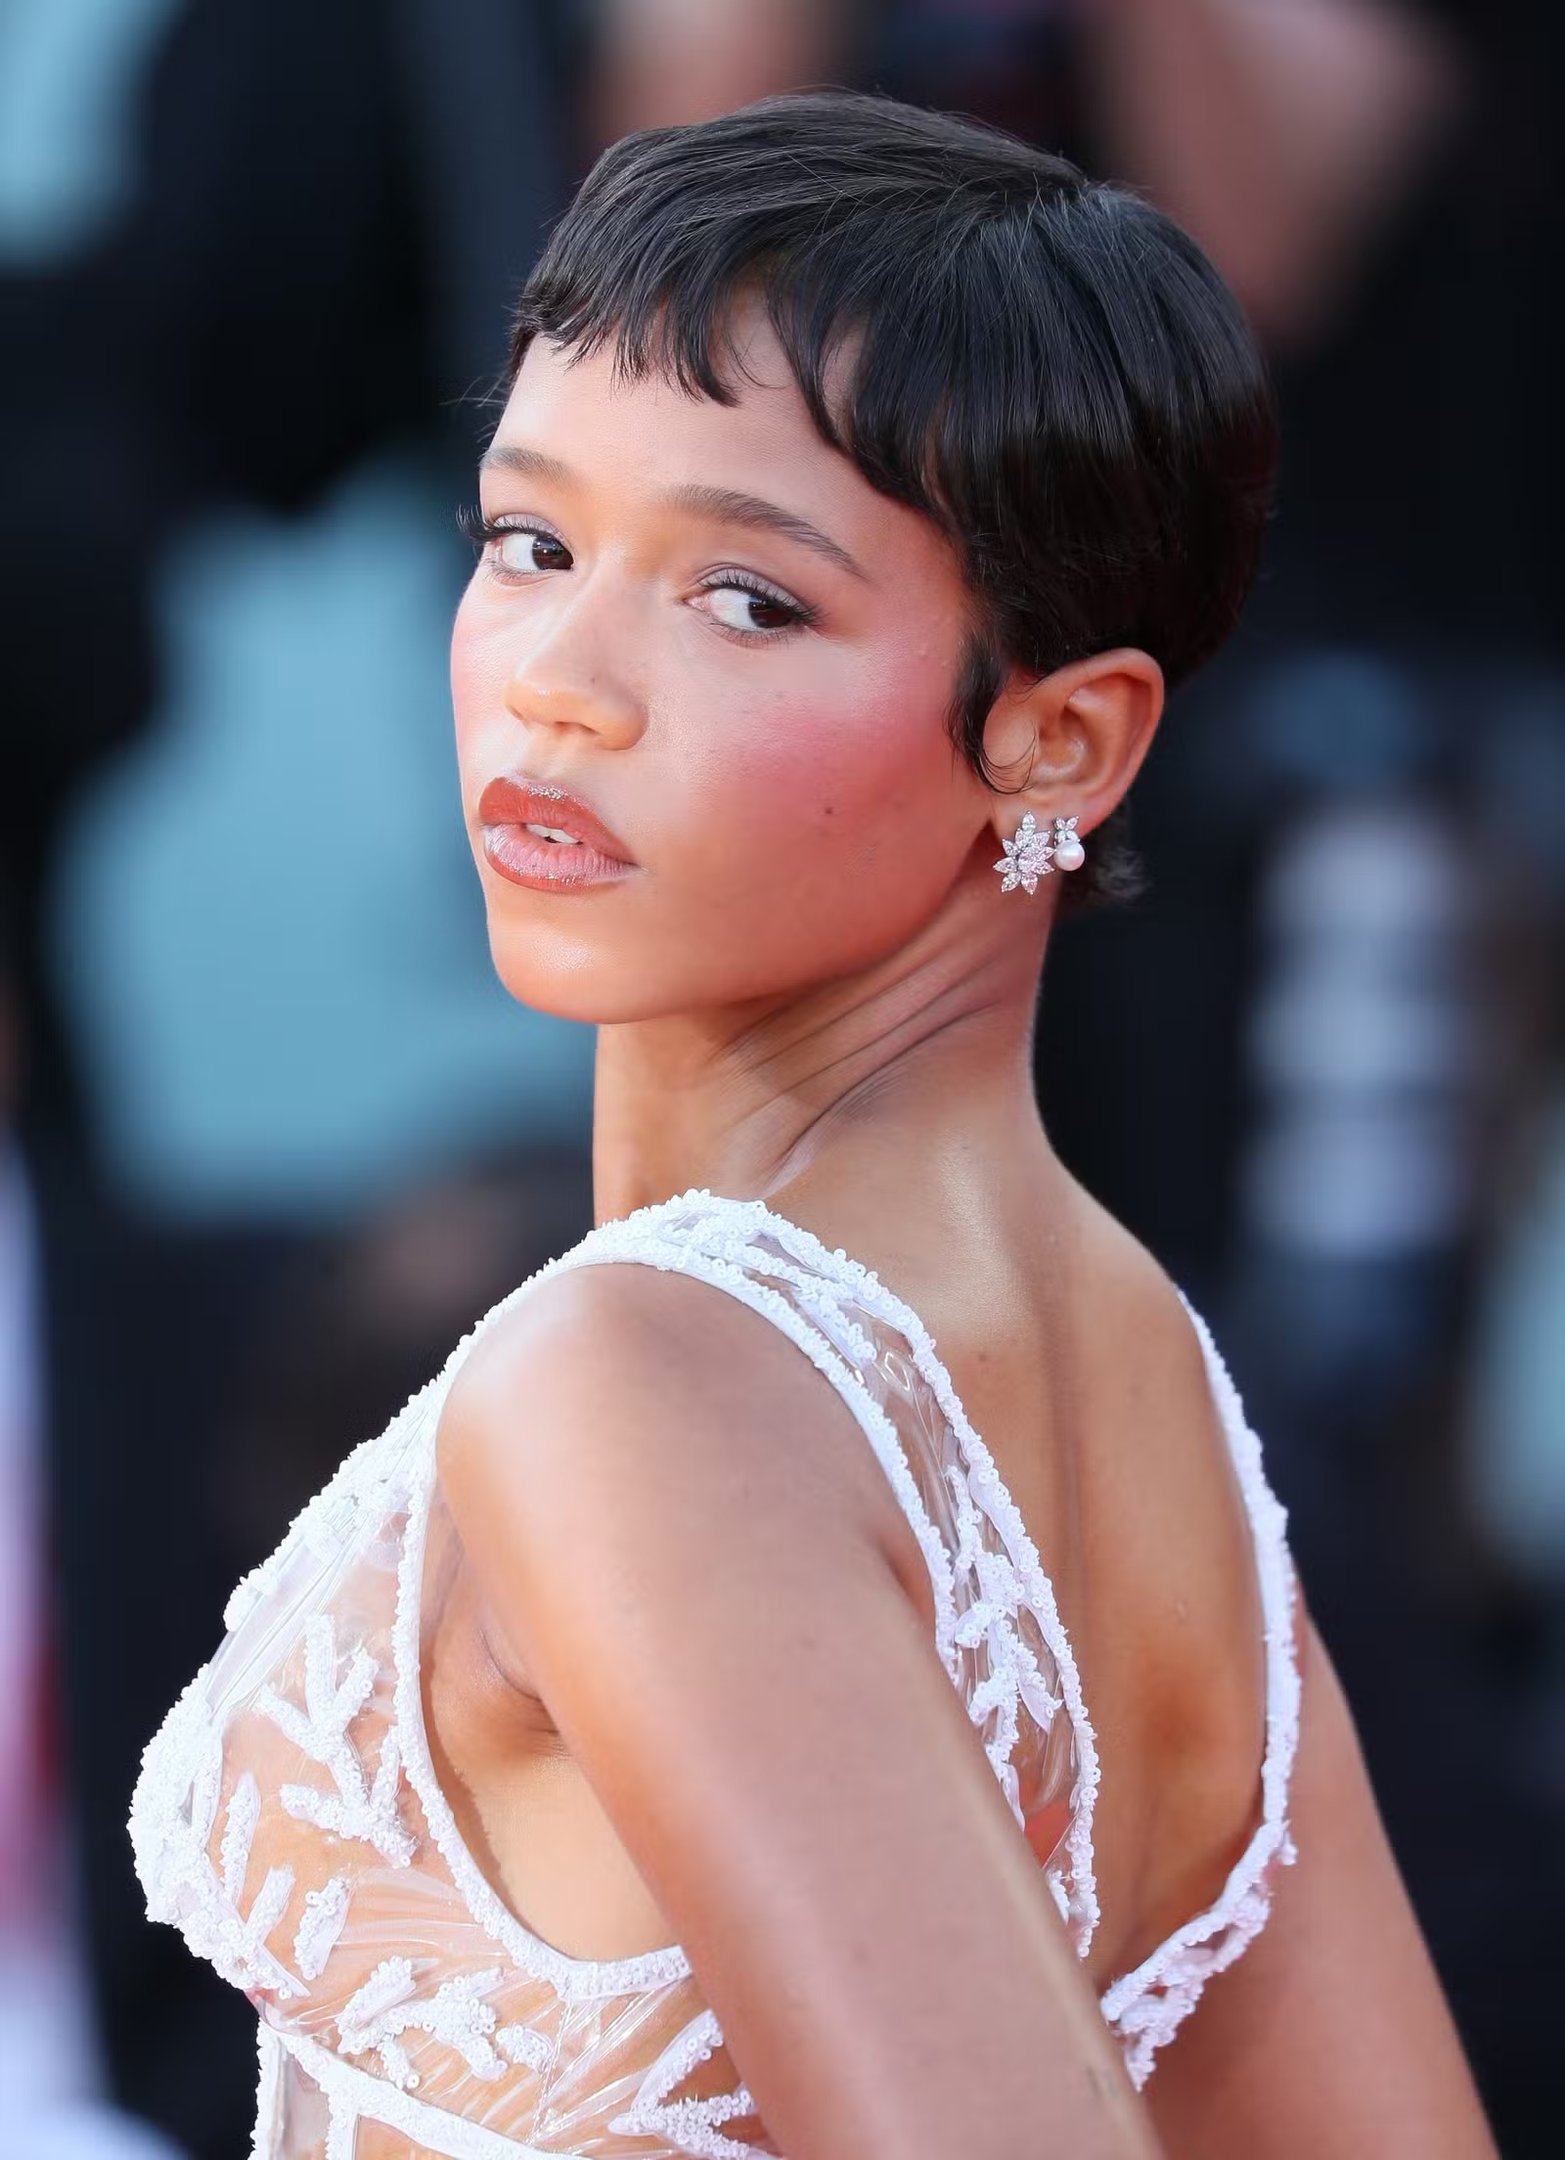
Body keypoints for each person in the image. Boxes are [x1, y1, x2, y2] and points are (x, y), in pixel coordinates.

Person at [127, 90, 1498, 2158]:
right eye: (531, 541)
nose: (565, 683)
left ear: (1065, 731)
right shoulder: (1148, 1379)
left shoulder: (646, 1382)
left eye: (747, 599)